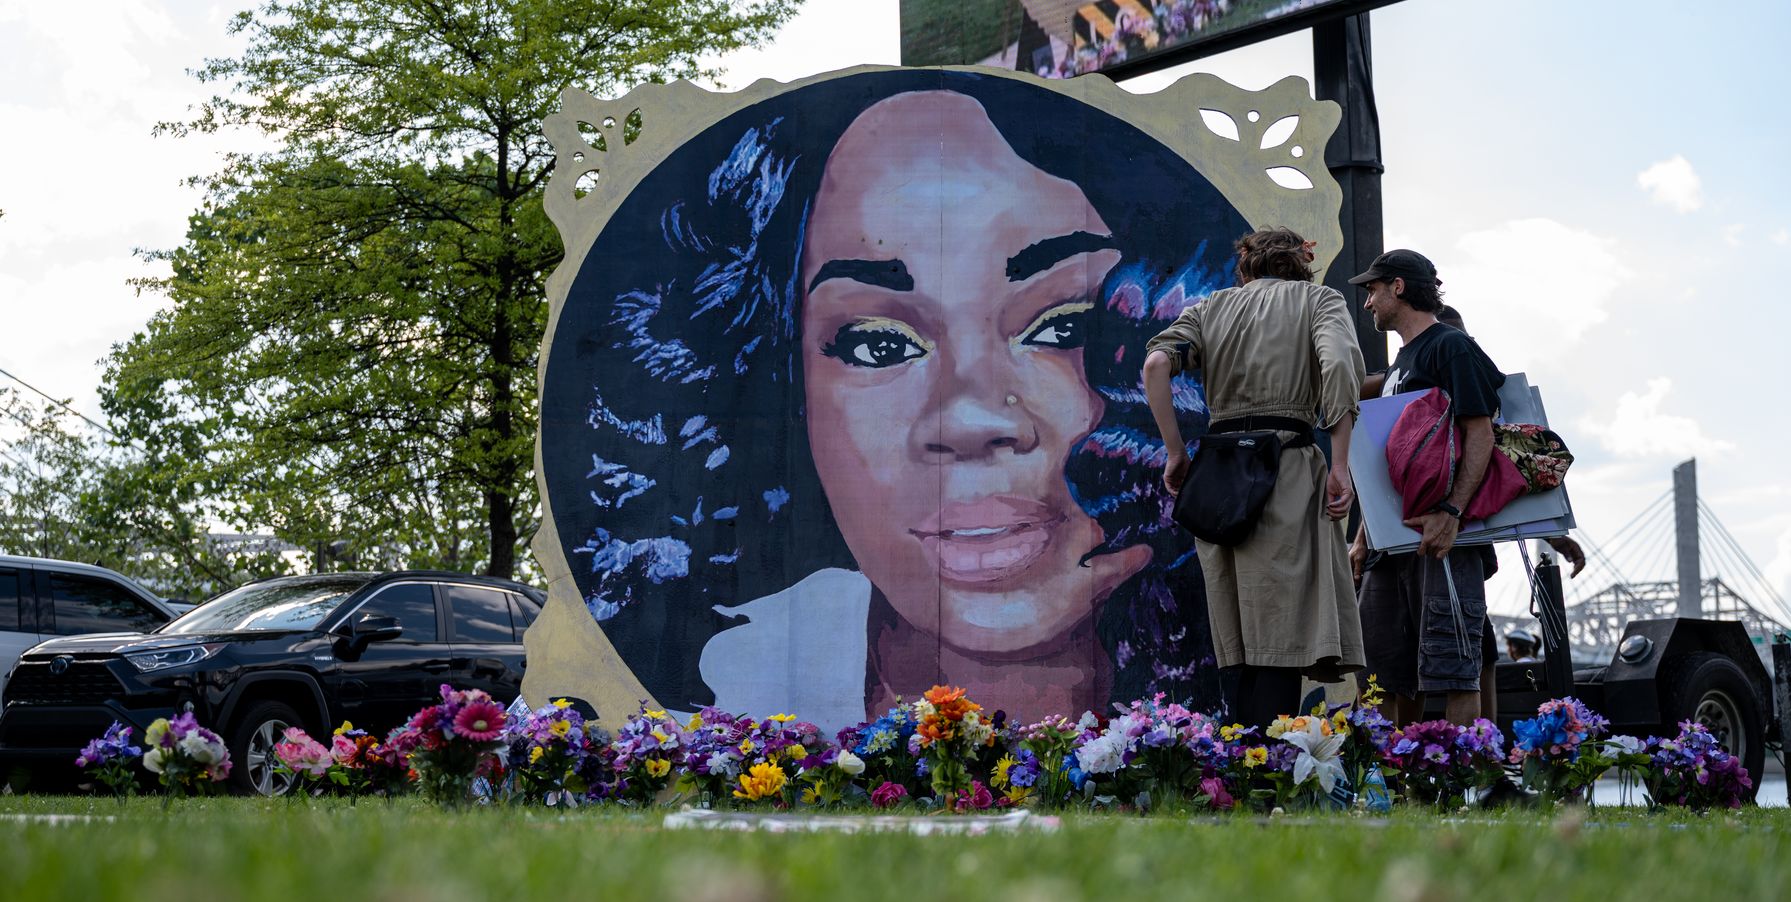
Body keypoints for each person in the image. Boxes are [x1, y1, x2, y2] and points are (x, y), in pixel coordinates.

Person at [542, 70, 1249, 732]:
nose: (971, 419)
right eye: (878, 346)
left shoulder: (1244, 648)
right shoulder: (732, 683)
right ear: (790, 387)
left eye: (1061, 328)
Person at [1140, 228, 1366, 728]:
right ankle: (1270, 771)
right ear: (1300, 263)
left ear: (1247, 265)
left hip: (1217, 477)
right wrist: (1341, 463)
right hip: (1285, 467)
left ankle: (1241, 763)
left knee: (1236, 632)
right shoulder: (1319, 301)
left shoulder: (1210, 308)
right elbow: (1339, 367)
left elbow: (1157, 363)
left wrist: (1175, 452)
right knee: (1282, 631)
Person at [1345, 250, 1503, 726]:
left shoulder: (1449, 346)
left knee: (1453, 667)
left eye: (1372, 290)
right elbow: (1386, 464)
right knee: (1382, 671)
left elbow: (1481, 432)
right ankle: (1392, 788)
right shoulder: (1400, 363)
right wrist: (1362, 537)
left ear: (1398, 287)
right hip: (1389, 545)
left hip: (1440, 539)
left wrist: (1452, 513)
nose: (1367, 303)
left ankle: (1458, 787)